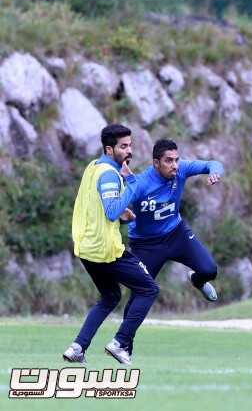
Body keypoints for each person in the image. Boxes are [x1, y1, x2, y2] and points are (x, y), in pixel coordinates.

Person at [63, 124, 159, 365]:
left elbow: (101, 206)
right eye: (124, 146)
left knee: (110, 297)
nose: (130, 151)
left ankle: (77, 348)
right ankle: (120, 342)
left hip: (86, 247)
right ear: (109, 148)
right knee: (149, 289)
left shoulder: (92, 167)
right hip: (105, 250)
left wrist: (122, 212)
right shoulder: (109, 174)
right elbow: (111, 210)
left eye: (130, 145)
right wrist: (133, 185)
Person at [122, 139, 223, 353]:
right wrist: (123, 214)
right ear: (156, 163)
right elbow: (117, 207)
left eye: (176, 160)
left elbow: (212, 163)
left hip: (176, 234)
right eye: (169, 161)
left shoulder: (181, 170)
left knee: (209, 270)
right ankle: (124, 346)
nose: (175, 165)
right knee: (139, 295)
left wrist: (215, 172)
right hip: (146, 244)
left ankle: (196, 279)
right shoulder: (140, 184)